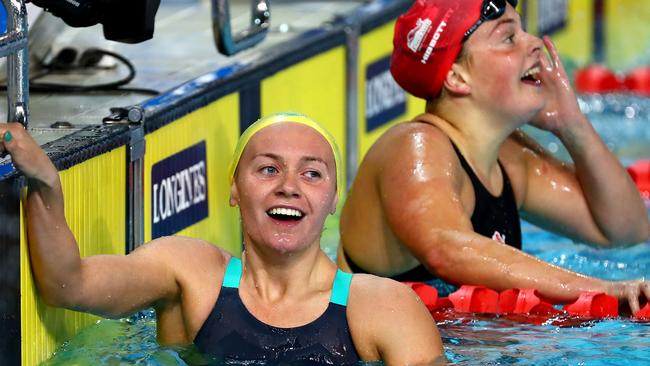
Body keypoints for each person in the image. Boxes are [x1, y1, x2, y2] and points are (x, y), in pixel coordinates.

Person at [1, 113, 444, 364]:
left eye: (312, 174)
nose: (289, 186)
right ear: (235, 189)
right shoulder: (191, 274)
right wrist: (45, 186)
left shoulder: (384, 308)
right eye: (268, 169)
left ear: (332, 200)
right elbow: (69, 285)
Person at [338, 0, 650, 313]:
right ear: (457, 78)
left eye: (524, 31)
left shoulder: (508, 156)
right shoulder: (413, 148)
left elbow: (625, 231)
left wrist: (572, 126)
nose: (534, 43)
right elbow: (447, 249)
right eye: (508, 38)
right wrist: (601, 289)